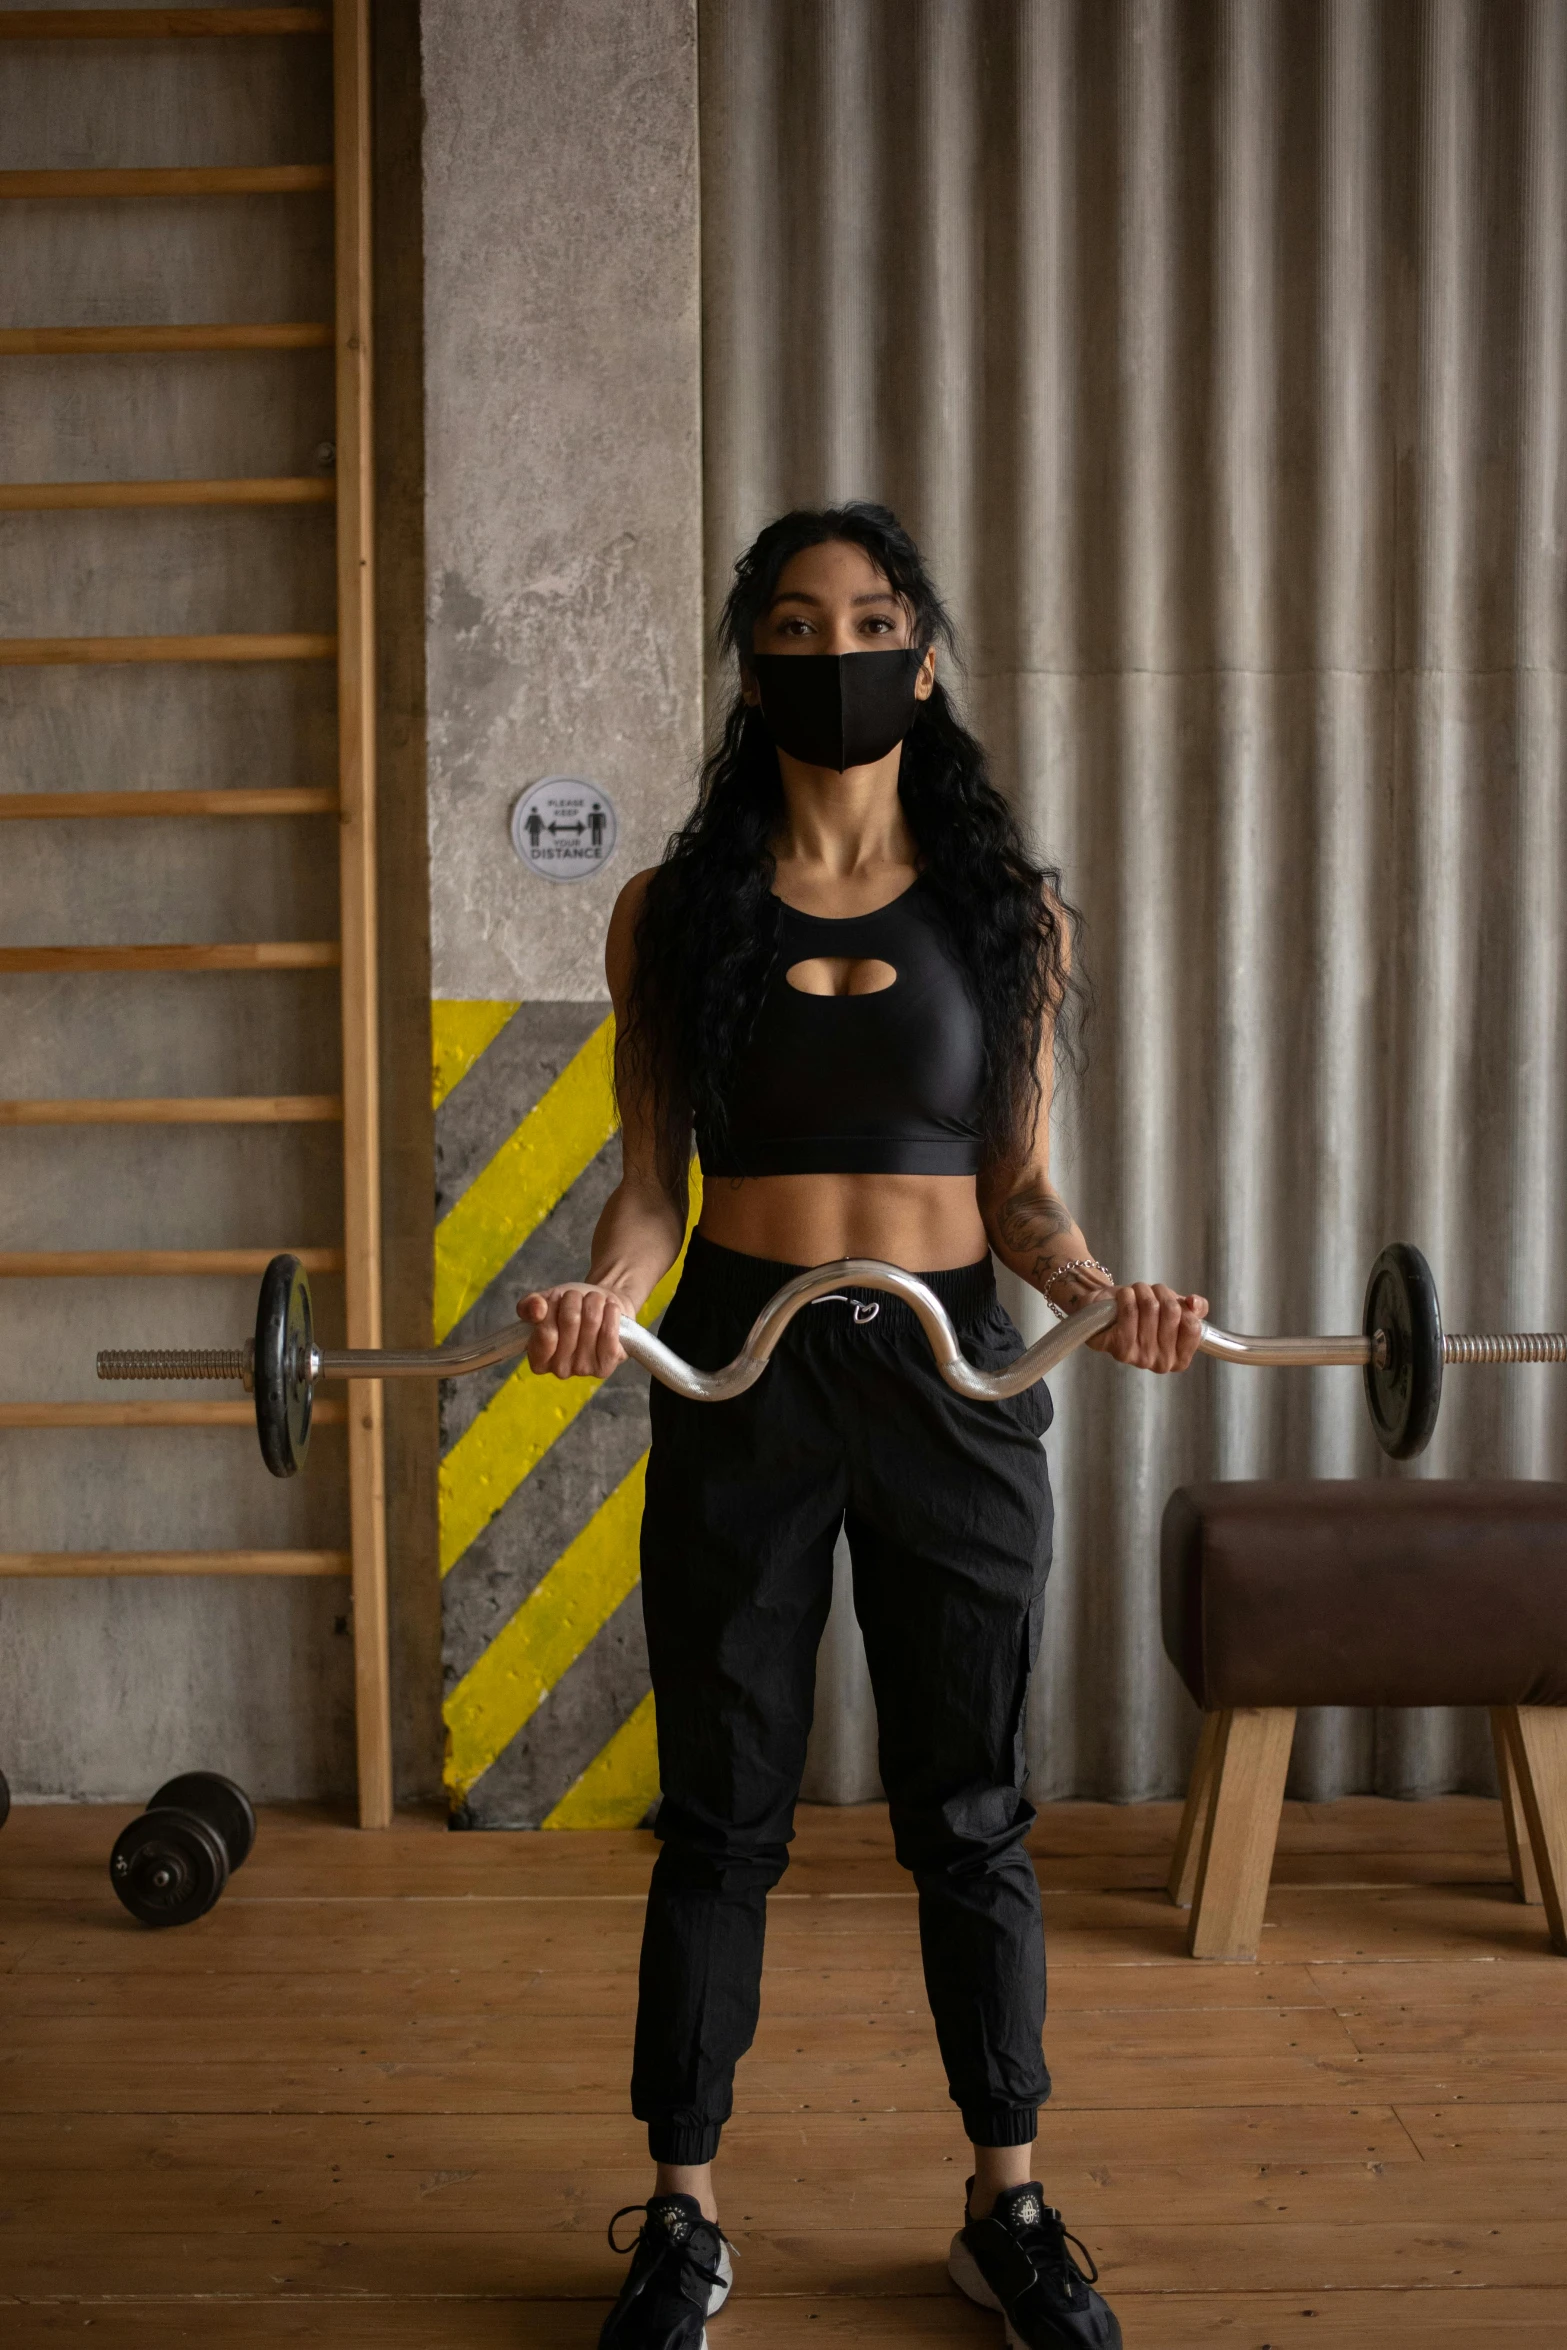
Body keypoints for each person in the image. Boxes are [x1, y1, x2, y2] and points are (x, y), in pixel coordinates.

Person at [517, 503, 1207, 2350]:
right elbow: (648, 1189)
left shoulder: (1011, 912)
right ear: (753, 657)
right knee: (720, 1820)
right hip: (739, 1365)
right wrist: (609, 1299)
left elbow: (1027, 1196)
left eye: (877, 617)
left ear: (923, 647)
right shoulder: (672, 911)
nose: (844, 650)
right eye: (804, 622)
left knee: (969, 1816)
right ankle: (681, 2214)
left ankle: (1009, 2202)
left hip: (949, 1375)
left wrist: (1099, 1292)